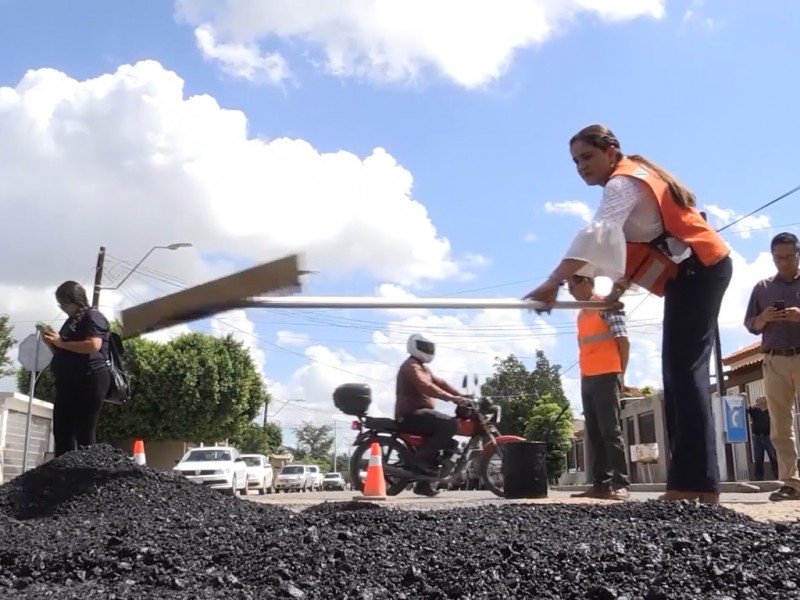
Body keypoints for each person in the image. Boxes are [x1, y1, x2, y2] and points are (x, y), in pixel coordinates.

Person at [523, 124, 732, 504]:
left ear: (611, 151)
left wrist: (553, 281)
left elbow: (599, 233)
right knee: (678, 371)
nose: (580, 167)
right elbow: (640, 252)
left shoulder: (624, 184)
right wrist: (616, 290)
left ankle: (697, 486)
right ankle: (692, 484)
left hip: (702, 269)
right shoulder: (630, 179)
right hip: (689, 275)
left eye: (587, 157)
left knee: (685, 373)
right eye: (575, 161)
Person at [743, 231, 800, 501]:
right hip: (775, 359)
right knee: (780, 425)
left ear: (798, 254)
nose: (784, 263)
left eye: (790, 257)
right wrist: (763, 318)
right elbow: (750, 325)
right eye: (779, 258)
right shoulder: (762, 288)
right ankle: (791, 482)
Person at [567, 274, 631, 501]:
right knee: (593, 433)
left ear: (586, 282)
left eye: (572, 286)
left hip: (607, 374)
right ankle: (601, 484)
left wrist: (620, 375)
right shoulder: (581, 315)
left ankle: (620, 483)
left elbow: (623, 341)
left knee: (610, 431)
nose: (570, 291)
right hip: (588, 378)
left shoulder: (606, 305)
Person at [42, 281, 112, 457]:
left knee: (84, 429)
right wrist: (53, 344)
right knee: (62, 429)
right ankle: (62, 474)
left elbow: (93, 345)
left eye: (64, 304)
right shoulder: (70, 322)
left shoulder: (92, 316)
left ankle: (87, 474)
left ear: (75, 300)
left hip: (89, 378)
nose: (63, 308)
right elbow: (64, 349)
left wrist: (61, 342)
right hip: (68, 381)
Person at [395, 333, 467, 497]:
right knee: (450, 423)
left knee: (450, 443)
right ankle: (421, 460)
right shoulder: (411, 366)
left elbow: (441, 383)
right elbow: (425, 386)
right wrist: (451, 398)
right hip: (410, 415)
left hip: (420, 414)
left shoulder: (423, 368)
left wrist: (461, 396)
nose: (428, 350)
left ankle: (424, 484)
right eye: (424, 347)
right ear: (414, 346)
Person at [745, 395, 778, 482]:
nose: (758, 402)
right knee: (758, 458)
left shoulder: (771, 411)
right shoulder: (755, 411)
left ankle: (777, 475)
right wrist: (745, 398)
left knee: (773, 457)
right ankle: (758, 478)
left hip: (769, 437)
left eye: (760, 400)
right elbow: (747, 408)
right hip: (758, 437)